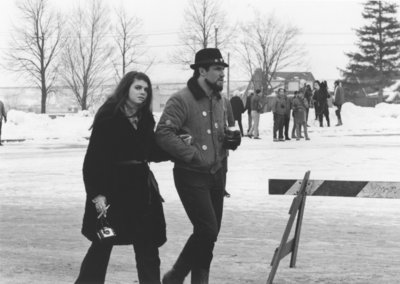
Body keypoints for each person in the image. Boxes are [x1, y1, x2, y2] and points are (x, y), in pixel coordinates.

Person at [75, 71, 169, 284]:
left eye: (146, 89)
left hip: (142, 192)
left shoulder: (145, 118)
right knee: (102, 245)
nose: (143, 92)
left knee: (148, 247)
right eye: (138, 87)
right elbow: (93, 160)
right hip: (113, 190)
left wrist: (177, 148)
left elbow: (150, 152)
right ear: (126, 88)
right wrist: (97, 194)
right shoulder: (109, 115)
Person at [155, 48, 236, 284]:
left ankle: (197, 280)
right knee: (207, 230)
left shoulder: (221, 100)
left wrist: (231, 140)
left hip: (216, 173)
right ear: (202, 70)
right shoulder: (181, 99)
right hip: (191, 175)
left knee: (209, 234)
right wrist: (191, 155)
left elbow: (223, 133)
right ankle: (176, 276)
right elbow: (163, 133)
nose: (222, 74)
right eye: (217, 69)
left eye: (223, 69)